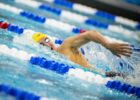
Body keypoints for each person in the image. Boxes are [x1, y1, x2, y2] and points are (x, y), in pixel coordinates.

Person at [32, 30, 132, 77]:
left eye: (46, 39)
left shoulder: (65, 46)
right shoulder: (51, 63)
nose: (47, 44)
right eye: (42, 44)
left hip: (107, 76)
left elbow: (90, 34)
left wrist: (108, 44)